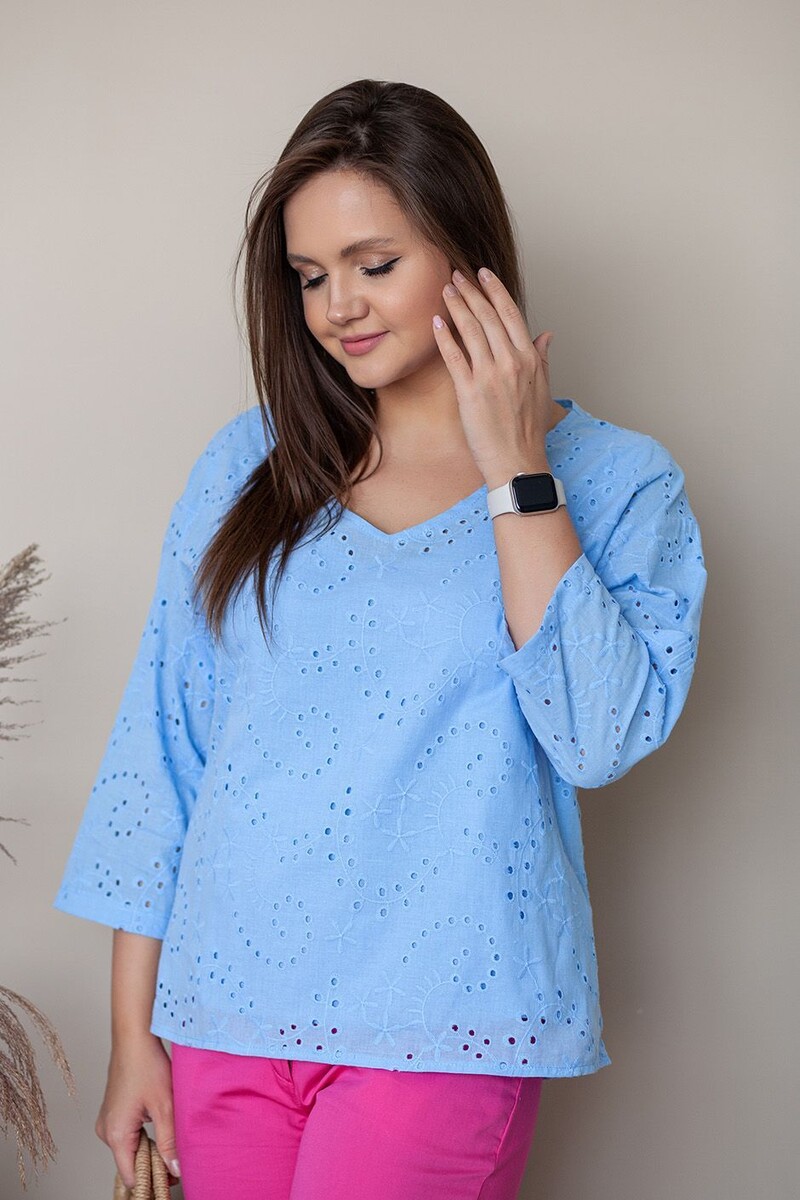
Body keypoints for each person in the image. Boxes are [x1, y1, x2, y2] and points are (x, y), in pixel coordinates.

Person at [53, 78, 707, 1200]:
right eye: (310, 275)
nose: (337, 308)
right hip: (221, 1016)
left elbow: (598, 737)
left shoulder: (616, 481)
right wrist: (132, 1036)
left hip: (449, 1019)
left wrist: (515, 469)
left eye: (375, 263)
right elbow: (162, 756)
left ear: (468, 251)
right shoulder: (247, 466)